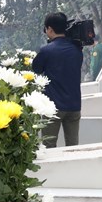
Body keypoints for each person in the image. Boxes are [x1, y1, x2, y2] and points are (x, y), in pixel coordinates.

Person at [32, 12, 83, 147]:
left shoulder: (46, 50)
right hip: (74, 105)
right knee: (73, 146)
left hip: (52, 107)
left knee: (48, 146)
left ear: (49, 29)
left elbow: (36, 68)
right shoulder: (77, 49)